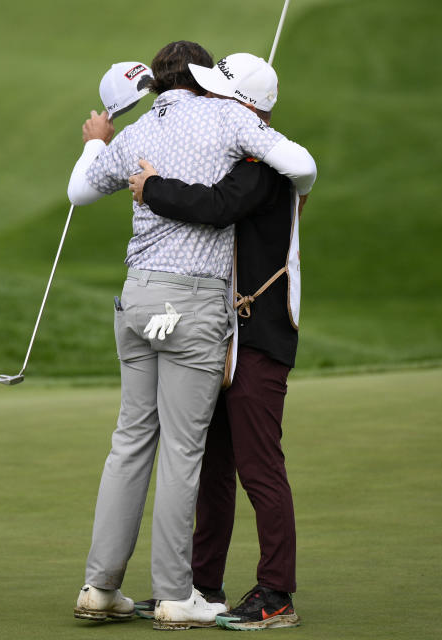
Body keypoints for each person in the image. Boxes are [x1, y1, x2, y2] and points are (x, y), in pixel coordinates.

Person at [66, 41, 316, 630]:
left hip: (193, 314)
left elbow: (215, 204)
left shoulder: (206, 144)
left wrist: (128, 167)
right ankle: (187, 589)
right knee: (192, 455)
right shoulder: (229, 125)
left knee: (143, 445)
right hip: (201, 315)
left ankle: (106, 586)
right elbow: (238, 190)